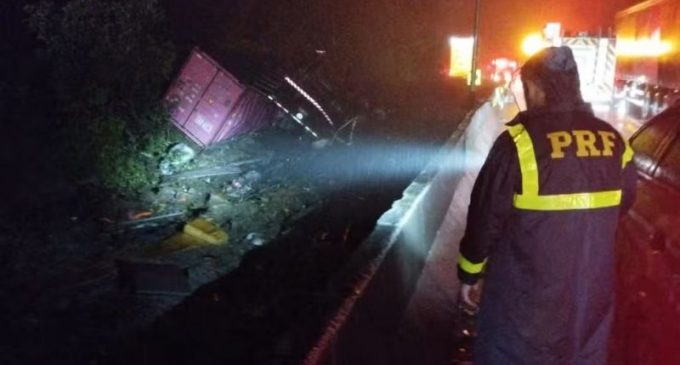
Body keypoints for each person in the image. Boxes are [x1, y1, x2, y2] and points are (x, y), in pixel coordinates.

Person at [456, 46, 637, 364]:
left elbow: (485, 216)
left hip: (522, 312)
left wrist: (469, 275)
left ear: (536, 87)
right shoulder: (614, 142)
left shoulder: (519, 143)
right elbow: (624, 204)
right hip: (590, 309)